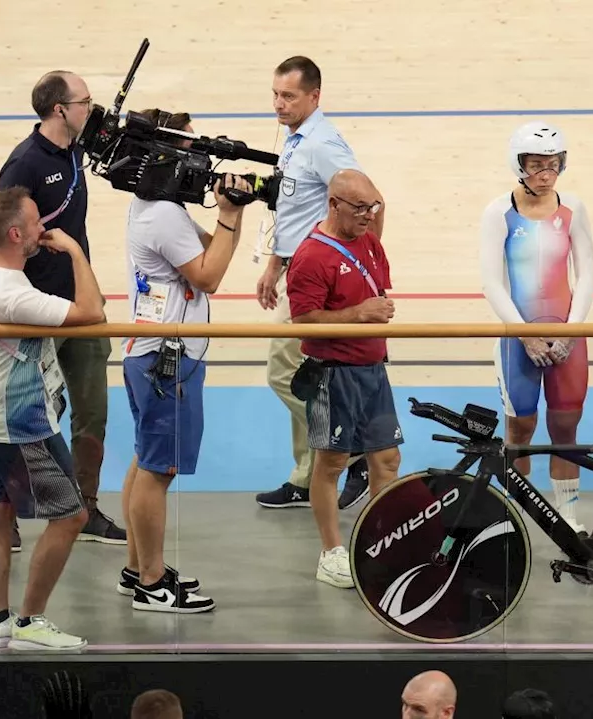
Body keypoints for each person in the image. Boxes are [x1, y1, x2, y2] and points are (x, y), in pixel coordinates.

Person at [119, 109, 251, 613]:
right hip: (166, 362)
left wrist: (229, 213)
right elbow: (210, 275)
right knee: (159, 470)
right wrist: (231, 217)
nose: (197, 162)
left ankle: (138, 568)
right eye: (191, 151)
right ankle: (152, 583)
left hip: (150, 352)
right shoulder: (165, 216)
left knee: (145, 460)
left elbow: (209, 251)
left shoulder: (152, 205)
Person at [0, 187, 106, 651]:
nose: (42, 229)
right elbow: (92, 311)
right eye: (34, 223)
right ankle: (30, 623)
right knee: (71, 516)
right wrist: (74, 250)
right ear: (13, 234)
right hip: (20, 419)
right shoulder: (12, 295)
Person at [0, 70, 125, 547]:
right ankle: (4, 513)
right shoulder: (24, 164)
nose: (91, 108)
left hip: (83, 305)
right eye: (85, 101)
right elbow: (5, 235)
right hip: (37, 311)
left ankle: (86, 508)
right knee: (28, 415)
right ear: (59, 110)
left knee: (93, 411)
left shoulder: (76, 147)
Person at [254, 56, 370, 512]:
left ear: (314, 97)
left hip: (316, 280)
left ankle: (353, 445)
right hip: (295, 270)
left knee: (282, 373)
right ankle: (306, 476)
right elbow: (296, 211)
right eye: (276, 95)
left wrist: (363, 270)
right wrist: (273, 266)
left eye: (289, 96)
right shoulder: (295, 140)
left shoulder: (323, 144)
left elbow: (368, 202)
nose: (278, 104)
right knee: (306, 377)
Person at [287, 169, 401, 589]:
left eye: (374, 206)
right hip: (332, 373)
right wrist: (359, 314)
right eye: (360, 208)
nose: (369, 216)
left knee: (387, 460)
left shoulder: (369, 242)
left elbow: (375, 297)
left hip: (373, 369)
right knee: (332, 462)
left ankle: (384, 542)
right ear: (333, 204)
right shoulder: (310, 257)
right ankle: (331, 553)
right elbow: (305, 322)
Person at [480, 121, 593, 533]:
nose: (547, 175)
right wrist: (524, 334)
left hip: (568, 335)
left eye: (554, 165)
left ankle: (568, 518)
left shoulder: (573, 209)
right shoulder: (498, 213)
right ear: (518, 165)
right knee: (521, 428)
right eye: (537, 166)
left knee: (565, 427)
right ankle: (517, 519)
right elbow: (491, 283)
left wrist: (572, 329)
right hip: (519, 340)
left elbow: (586, 275)